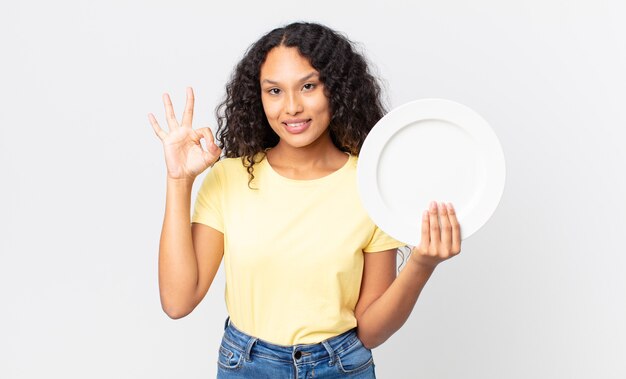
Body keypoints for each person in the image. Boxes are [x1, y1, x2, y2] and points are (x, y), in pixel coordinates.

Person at [148, 22, 461, 379]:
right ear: (259, 97)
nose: (292, 107)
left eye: (308, 86)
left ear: (337, 89)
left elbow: (371, 331)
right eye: (275, 91)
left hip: (340, 367)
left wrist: (422, 265)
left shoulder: (371, 184)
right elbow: (177, 301)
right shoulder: (229, 178)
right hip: (247, 366)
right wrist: (179, 181)